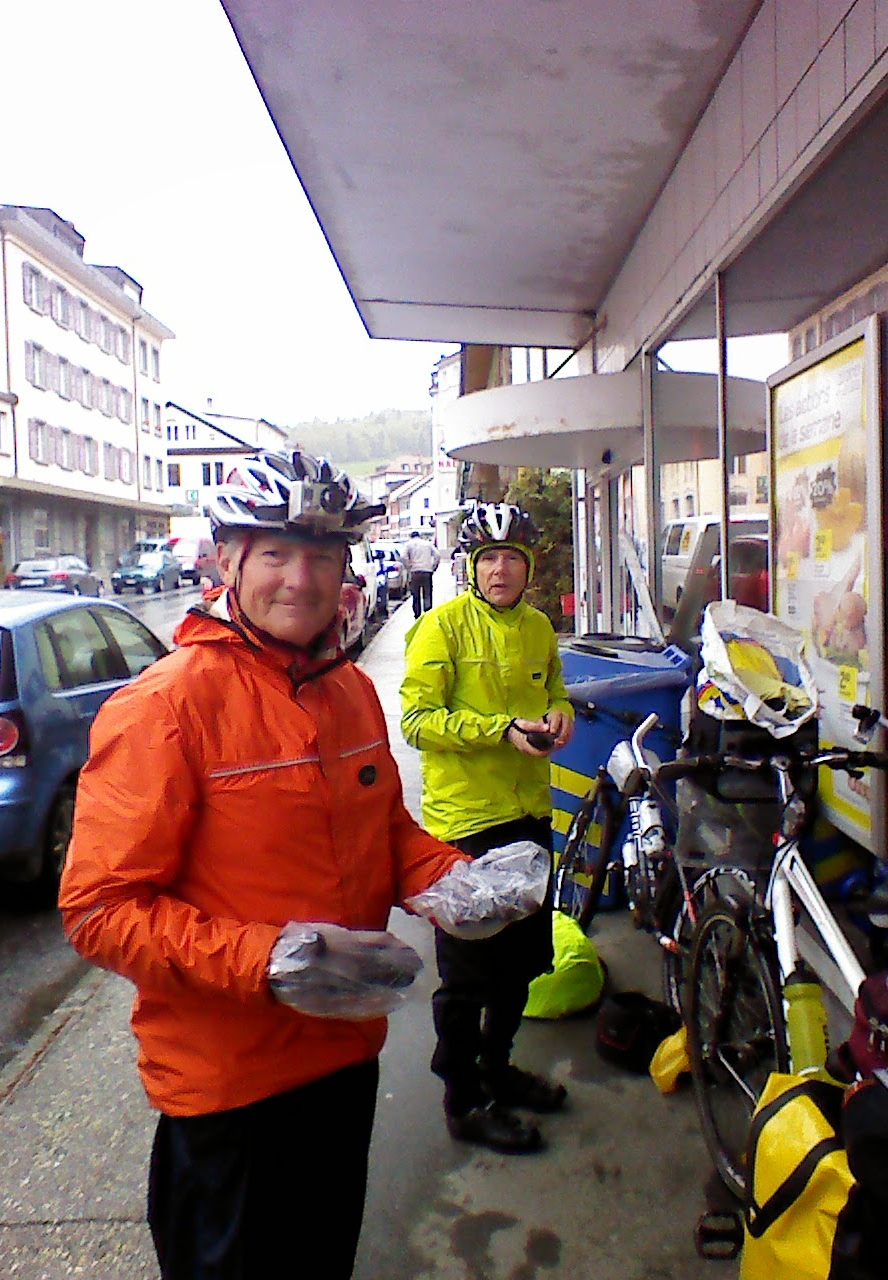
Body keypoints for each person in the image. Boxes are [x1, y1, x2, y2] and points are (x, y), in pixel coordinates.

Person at [58, 450, 481, 1280]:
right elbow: (99, 911)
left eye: (322, 556)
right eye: (276, 554)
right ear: (229, 562)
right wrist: (268, 959)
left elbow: (383, 831)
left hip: (345, 1060)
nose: (301, 579)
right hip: (231, 1093)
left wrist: (448, 877)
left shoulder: (349, 691)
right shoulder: (163, 707)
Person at [400, 501, 575, 1155]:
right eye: (489, 558)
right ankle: (464, 1099)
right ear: (472, 567)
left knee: (522, 964)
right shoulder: (441, 627)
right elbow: (417, 722)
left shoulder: (538, 627)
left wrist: (560, 712)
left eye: (512, 558)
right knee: (468, 976)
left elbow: (554, 690)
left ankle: (499, 1069)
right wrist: (498, 730)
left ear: (529, 567)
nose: (500, 570)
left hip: (529, 817)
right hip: (467, 827)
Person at [401, 529, 440, 616]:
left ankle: (417, 614)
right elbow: (437, 555)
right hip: (427, 571)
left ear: (411, 536)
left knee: (415, 594)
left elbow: (403, 556)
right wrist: (433, 567)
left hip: (415, 572)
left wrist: (408, 566)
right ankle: (428, 612)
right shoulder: (427, 544)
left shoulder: (408, 544)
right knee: (427, 593)